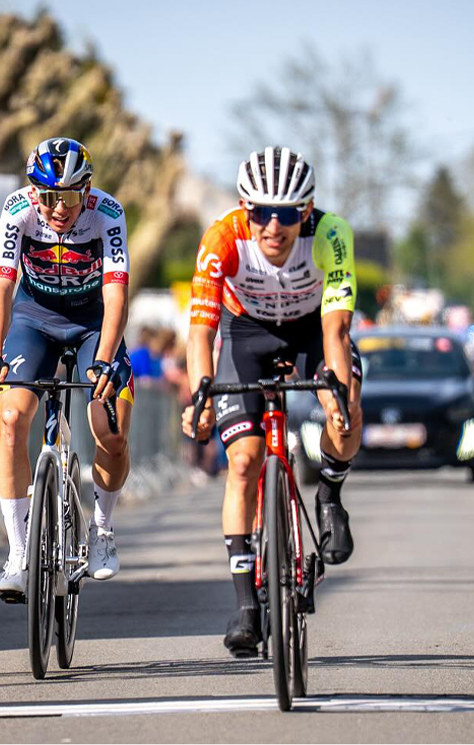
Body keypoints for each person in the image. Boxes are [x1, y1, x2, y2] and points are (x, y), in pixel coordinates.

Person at [182, 146, 363, 657]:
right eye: (261, 212)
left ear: (307, 210)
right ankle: (246, 606)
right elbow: (201, 332)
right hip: (246, 334)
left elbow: (337, 328)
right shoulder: (222, 238)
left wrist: (335, 395)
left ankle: (329, 493)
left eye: (286, 213)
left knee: (347, 404)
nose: (273, 226)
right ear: (246, 209)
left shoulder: (331, 235)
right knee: (243, 462)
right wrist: (200, 396)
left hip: (312, 330)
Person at [0, 137, 133, 600]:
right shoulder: (17, 209)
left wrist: (104, 358)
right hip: (34, 320)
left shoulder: (108, 212)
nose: (59, 208)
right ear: (34, 192)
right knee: (10, 420)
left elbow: (116, 295)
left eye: (69, 197)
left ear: (87, 190)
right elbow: (0, 287)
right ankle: (19, 553)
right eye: (48, 196)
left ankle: (101, 529)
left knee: (111, 432)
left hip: (93, 324)